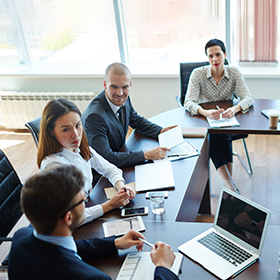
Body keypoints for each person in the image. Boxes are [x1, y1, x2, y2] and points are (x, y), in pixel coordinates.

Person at [8, 165, 179, 280]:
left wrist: (115, 243)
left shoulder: (21, 237)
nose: (86, 202)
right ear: (68, 217)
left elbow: (69, 247)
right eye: (82, 200)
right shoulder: (92, 278)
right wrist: (163, 266)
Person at [37, 98, 135, 225]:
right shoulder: (53, 166)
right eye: (66, 129)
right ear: (51, 132)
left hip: (88, 206)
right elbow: (71, 218)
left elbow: (110, 169)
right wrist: (109, 205)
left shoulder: (78, 147)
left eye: (78, 125)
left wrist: (121, 187)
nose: (76, 134)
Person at [184, 38, 254, 194]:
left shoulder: (234, 72)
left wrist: (235, 109)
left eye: (218, 54)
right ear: (207, 57)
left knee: (222, 134)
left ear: (225, 54)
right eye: (210, 56)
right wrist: (205, 112)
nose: (214, 59)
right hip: (203, 119)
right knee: (215, 135)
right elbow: (188, 102)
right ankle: (230, 183)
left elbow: (248, 98)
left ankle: (229, 183)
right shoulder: (198, 74)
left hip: (227, 117)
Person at [81, 62, 175, 168]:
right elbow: (106, 158)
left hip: (121, 156)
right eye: (114, 87)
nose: (120, 93)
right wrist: (146, 155)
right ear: (104, 85)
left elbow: (136, 120)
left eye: (124, 87)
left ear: (130, 85)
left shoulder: (124, 99)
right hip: (103, 174)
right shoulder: (94, 117)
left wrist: (160, 131)